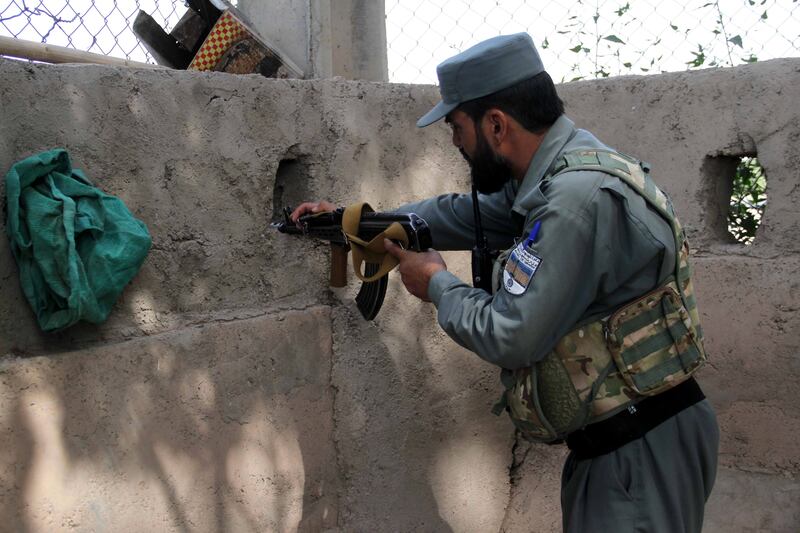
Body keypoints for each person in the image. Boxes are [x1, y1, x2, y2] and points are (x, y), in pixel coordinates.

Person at [292, 33, 719, 533]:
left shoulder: (574, 202)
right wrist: (356, 221)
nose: (455, 142)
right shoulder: (554, 174)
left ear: (495, 124)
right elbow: (456, 216)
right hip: (623, 439)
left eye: (456, 126)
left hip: (636, 453)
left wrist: (436, 284)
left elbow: (512, 335)